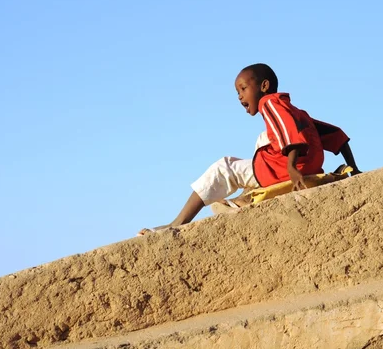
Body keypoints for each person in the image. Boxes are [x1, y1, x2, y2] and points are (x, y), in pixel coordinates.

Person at [138, 63, 360, 235]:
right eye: (237, 92)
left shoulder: (270, 103)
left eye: (243, 89)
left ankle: (176, 222)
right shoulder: (297, 112)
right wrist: (354, 167)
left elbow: (288, 134)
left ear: (263, 86)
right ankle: (246, 196)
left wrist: (292, 166)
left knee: (224, 167)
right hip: (304, 166)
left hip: (284, 169)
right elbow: (337, 135)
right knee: (264, 139)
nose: (240, 96)